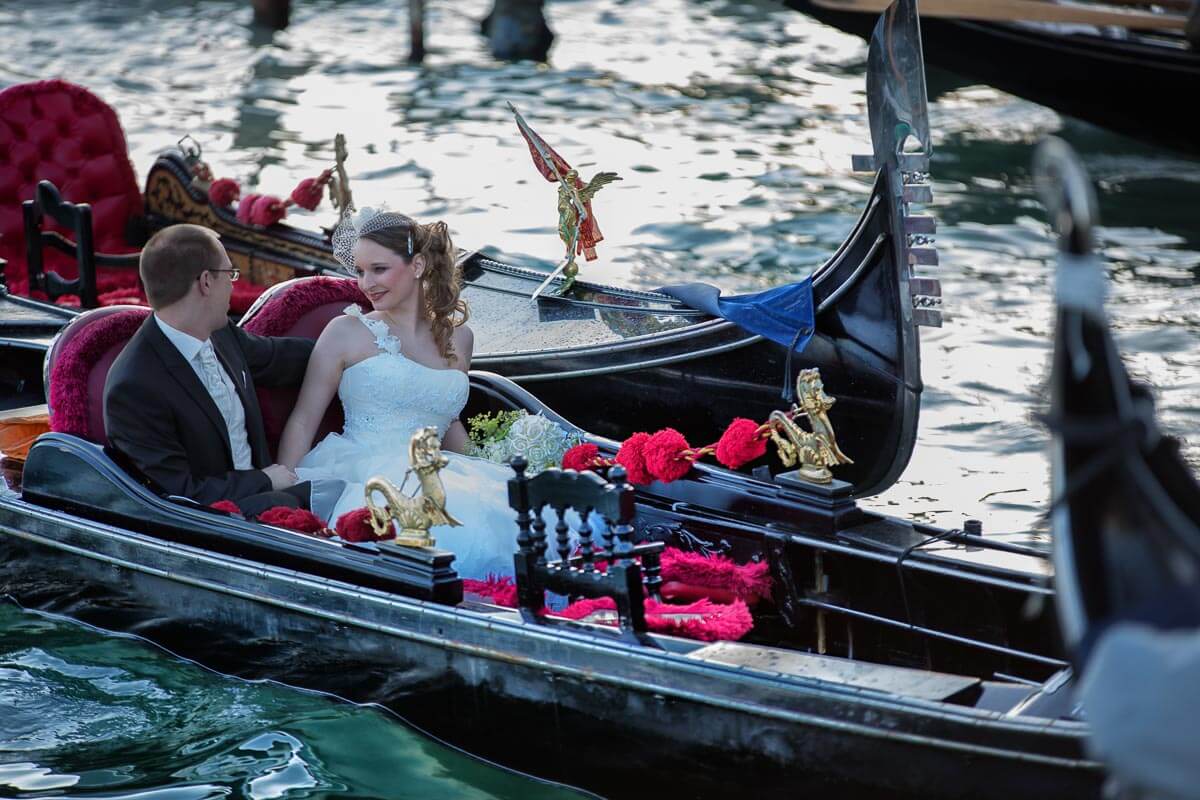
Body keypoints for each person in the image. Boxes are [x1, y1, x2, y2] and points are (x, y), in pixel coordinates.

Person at [277, 209, 525, 580]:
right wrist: (284, 486)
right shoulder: (345, 331)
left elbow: (448, 418)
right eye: (359, 271)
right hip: (366, 472)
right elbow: (303, 418)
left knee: (508, 506)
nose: (365, 283)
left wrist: (488, 465)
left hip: (437, 467)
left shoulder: (460, 338)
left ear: (419, 265)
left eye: (379, 269)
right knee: (456, 521)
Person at [104, 224, 315, 517]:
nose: (233, 284)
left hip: (276, 496)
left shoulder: (221, 333)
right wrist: (266, 479)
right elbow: (181, 493)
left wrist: (362, 341)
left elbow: (278, 359)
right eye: (230, 274)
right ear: (206, 281)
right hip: (216, 523)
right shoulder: (134, 387)